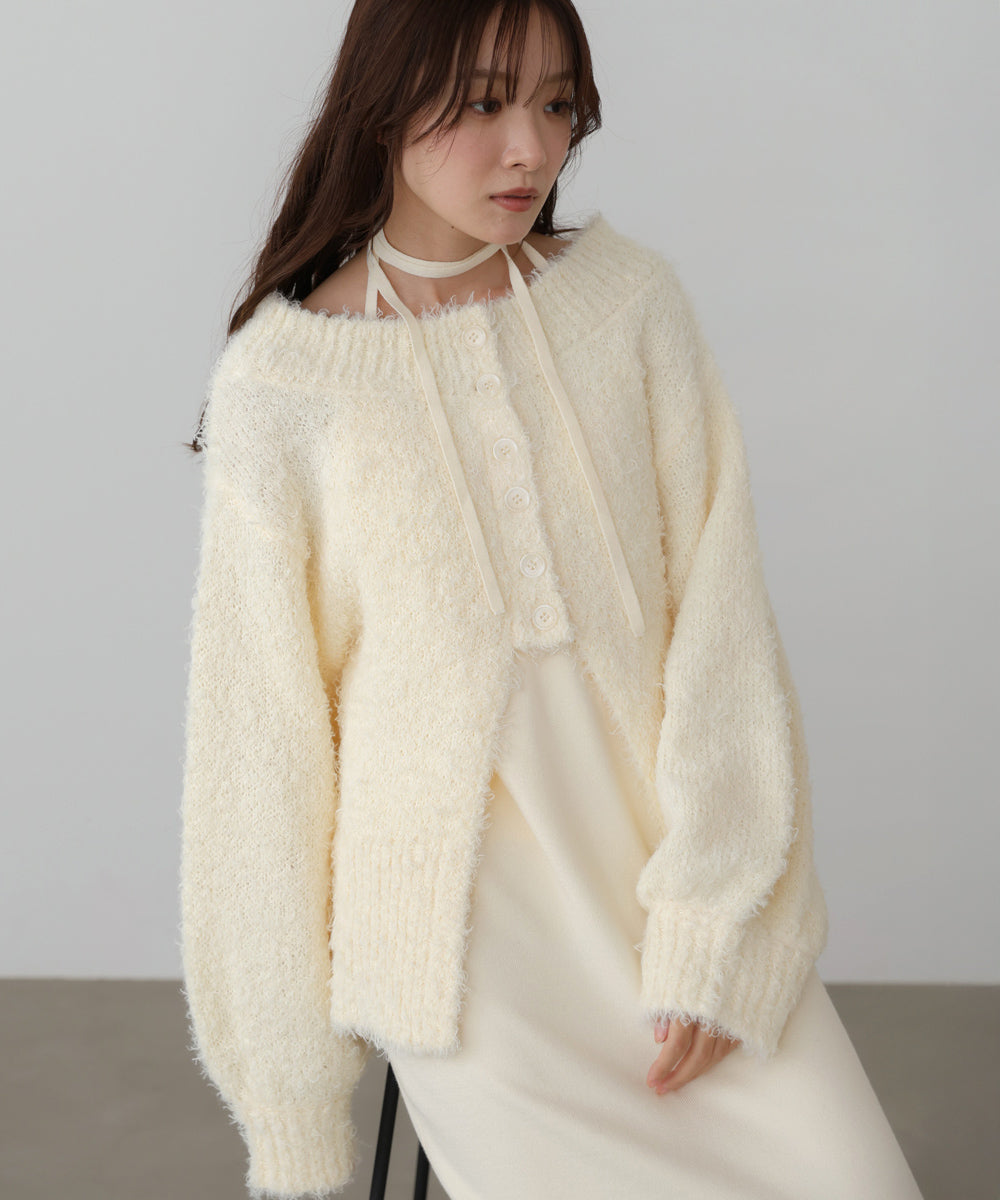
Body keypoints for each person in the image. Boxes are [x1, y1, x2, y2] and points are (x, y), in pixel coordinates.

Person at [178, 1, 926, 1197]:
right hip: (463, 954)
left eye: (556, 103)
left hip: (674, 888)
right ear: (383, 100)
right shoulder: (284, 384)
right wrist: (292, 1109)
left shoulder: (628, 306)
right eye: (482, 102)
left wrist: (716, 928)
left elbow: (724, 632)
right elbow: (259, 757)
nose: (529, 147)